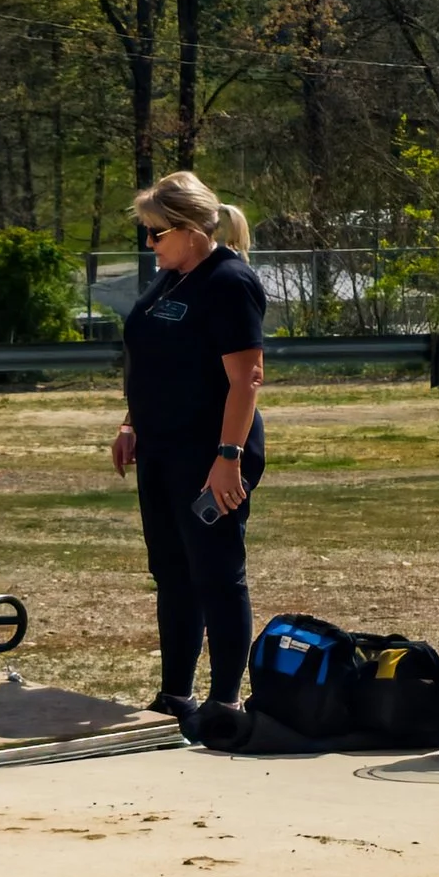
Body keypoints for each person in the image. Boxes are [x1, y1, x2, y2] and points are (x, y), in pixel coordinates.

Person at [110, 171, 266, 718]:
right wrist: (132, 422)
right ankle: (176, 694)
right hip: (160, 448)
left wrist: (229, 459)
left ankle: (225, 701)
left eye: (155, 234)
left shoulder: (228, 282)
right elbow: (150, 359)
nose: (149, 245)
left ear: (190, 229)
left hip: (211, 454)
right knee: (172, 573)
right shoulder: (170, 278)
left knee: (216, 574)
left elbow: (246, 379)